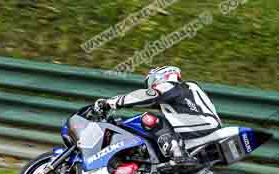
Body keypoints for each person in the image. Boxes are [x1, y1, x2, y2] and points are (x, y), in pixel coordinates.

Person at [93, 65, 222, 168]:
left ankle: (178, 154)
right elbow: (142, 102)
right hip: (201, 125)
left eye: (151, 82)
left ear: (160, 76)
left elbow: (144, 96)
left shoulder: (172, 85)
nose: (150, 86)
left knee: (149, 119)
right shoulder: (181, 93)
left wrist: (111, 102)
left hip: (203, 123)